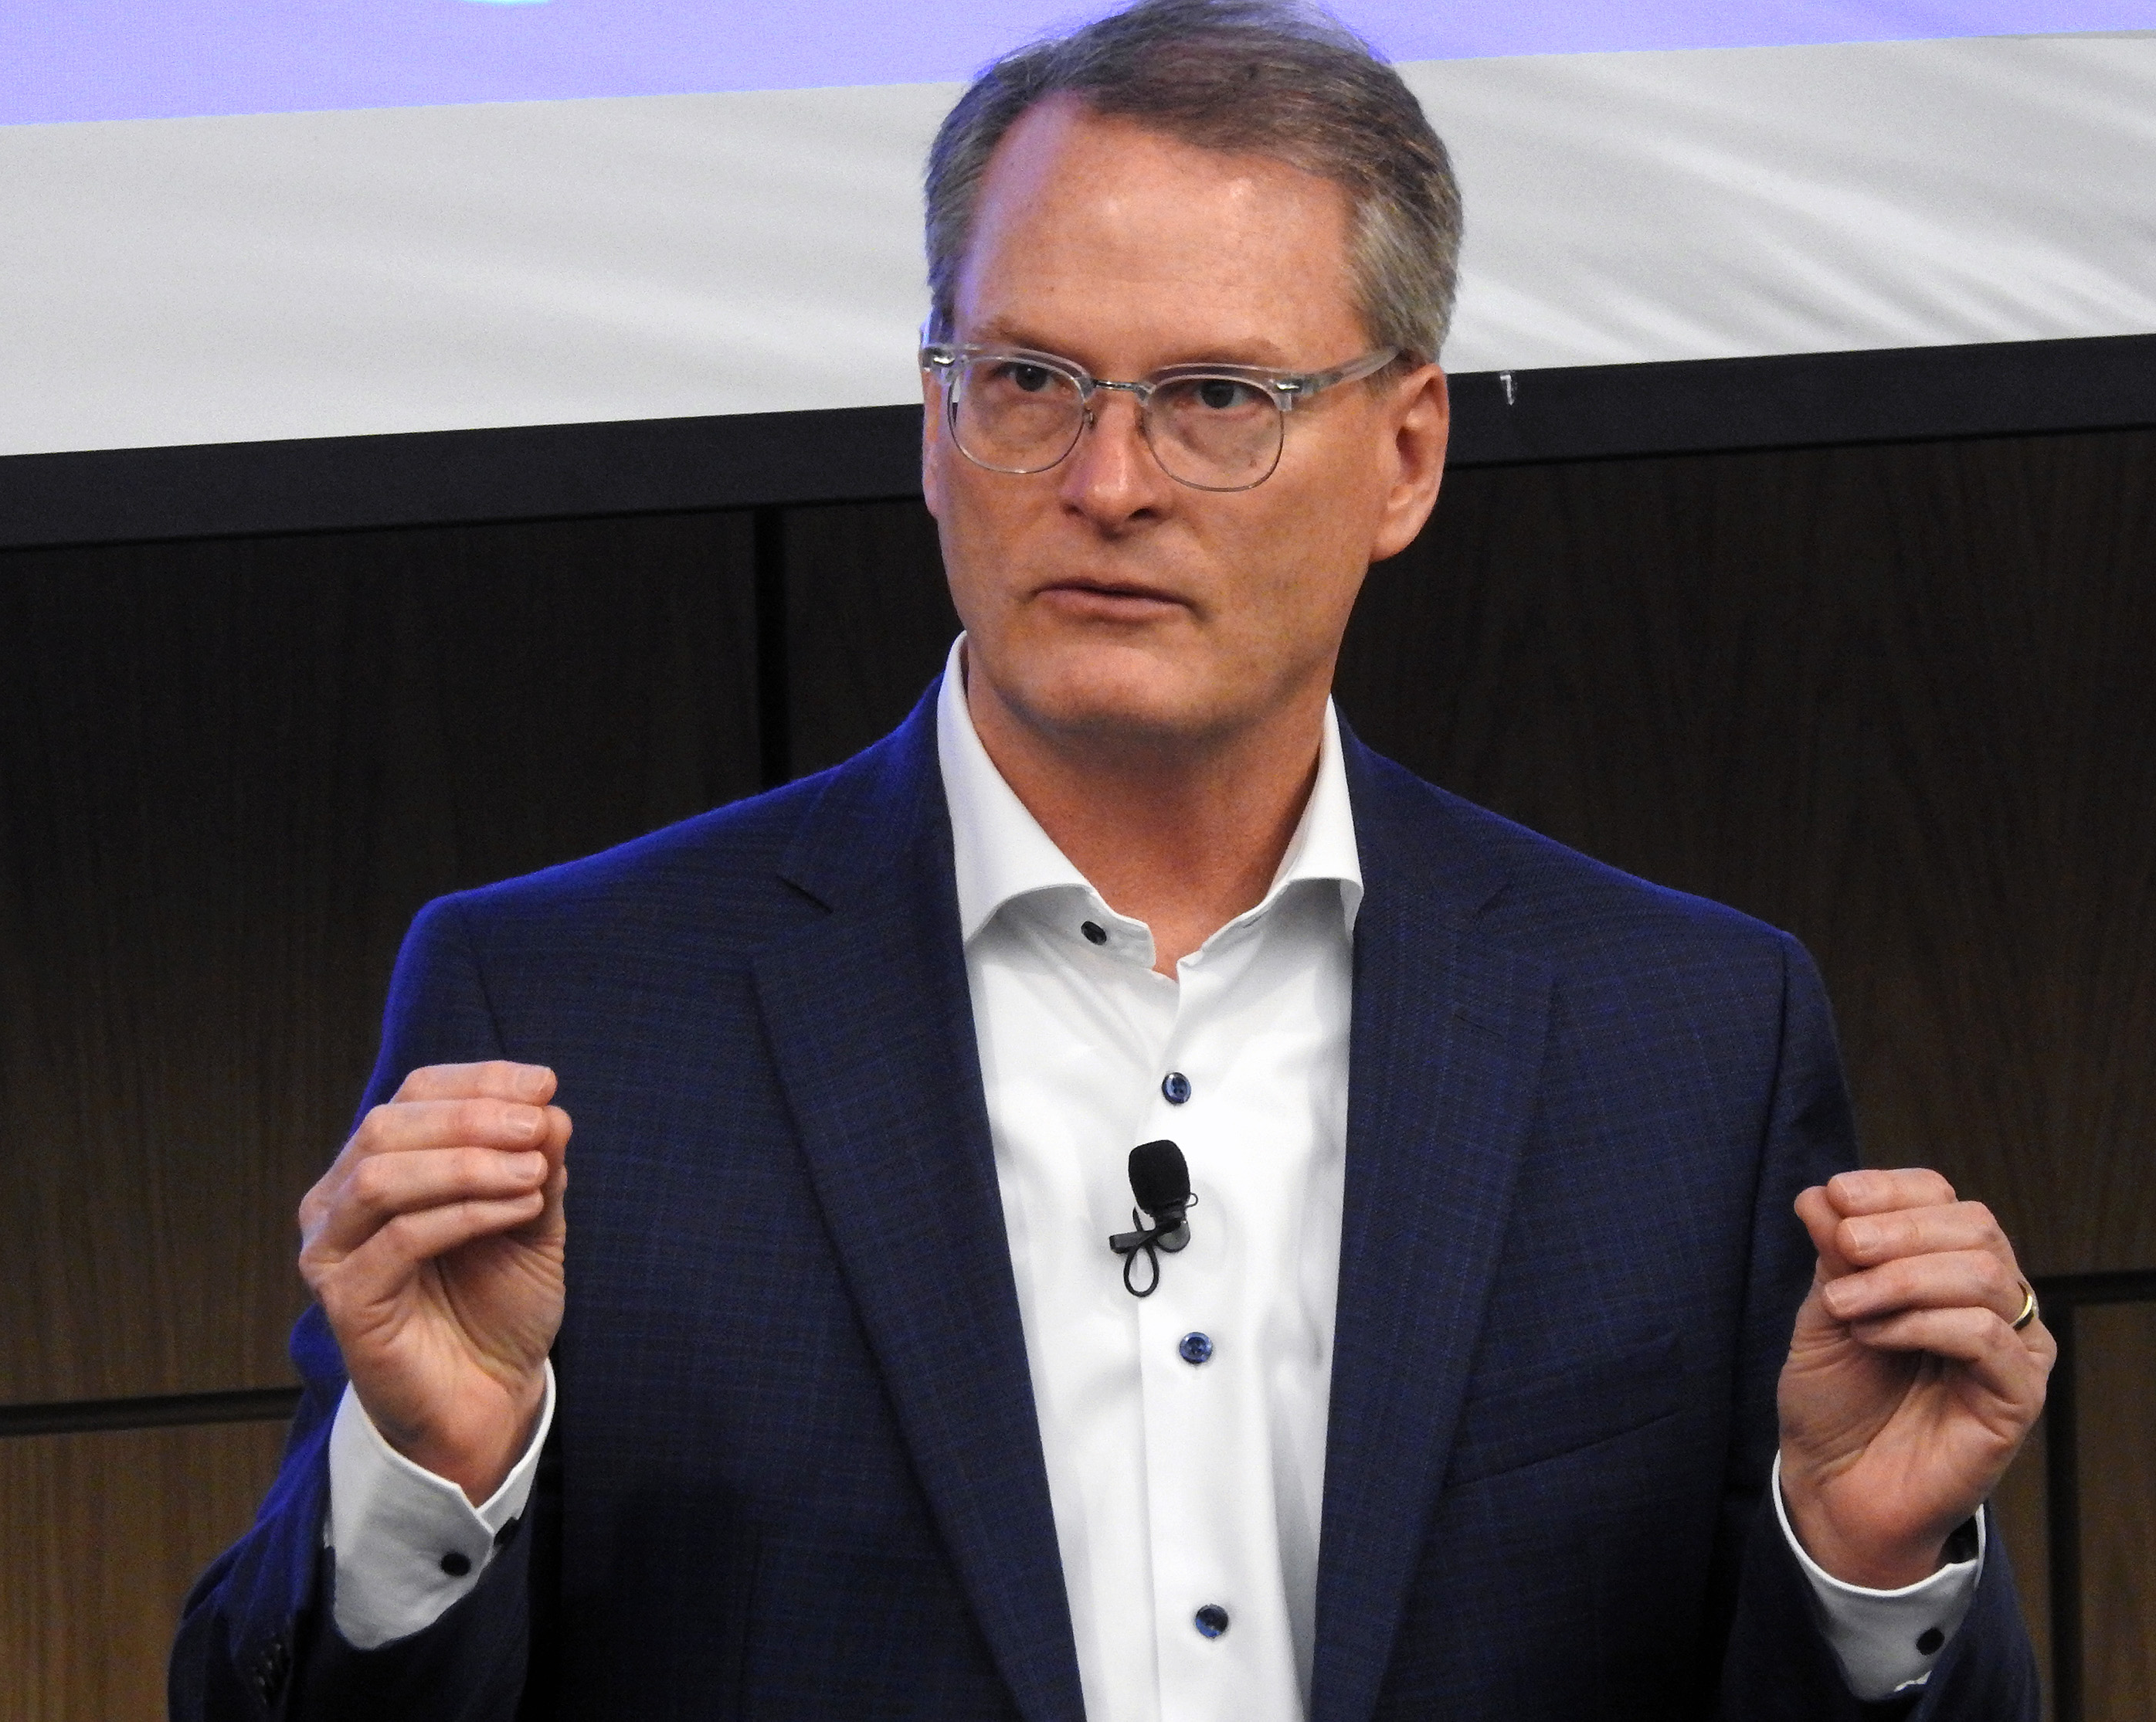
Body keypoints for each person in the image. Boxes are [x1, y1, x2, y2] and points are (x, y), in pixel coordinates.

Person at [172, 3, 2052, 1716]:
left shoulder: (1687, 1036)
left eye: (1218, 397)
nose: (1108, 482)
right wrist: (431, 1485)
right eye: (1032, 383)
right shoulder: (573, 1009)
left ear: (1404, 458)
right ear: (936, 422)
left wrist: (1868, 1567)